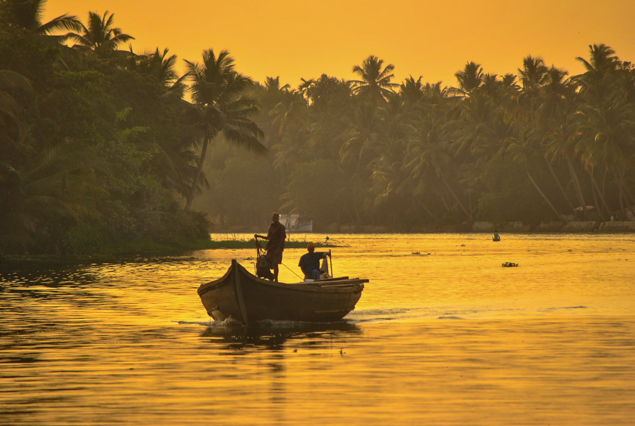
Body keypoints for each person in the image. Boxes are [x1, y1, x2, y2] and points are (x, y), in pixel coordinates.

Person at [255, 213, 286, 281]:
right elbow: (268, 237)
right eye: (273, 218)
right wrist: (258, 236)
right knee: (268, 262)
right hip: (271, 247)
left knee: (275, 264)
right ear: (272, 219)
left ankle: (276, 280)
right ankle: (270, 277)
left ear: (278, 219)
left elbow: (282, 239)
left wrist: (278, 249)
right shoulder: (271, 227)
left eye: (276, 218)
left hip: (277, 247)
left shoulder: (281, 227)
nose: (274, 219)